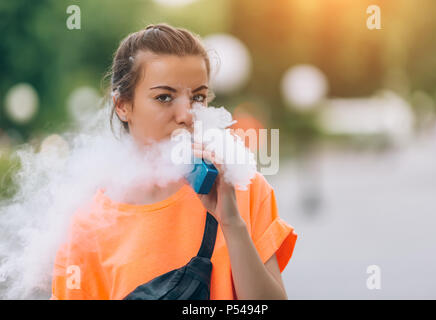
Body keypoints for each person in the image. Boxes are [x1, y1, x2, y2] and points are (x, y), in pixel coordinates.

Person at [50, 23, 297, 300]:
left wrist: (232, 224)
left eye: (198, 97)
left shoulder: (244, 189)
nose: (186, 115)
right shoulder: (89, 226)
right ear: (122, 106)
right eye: (164, 97)